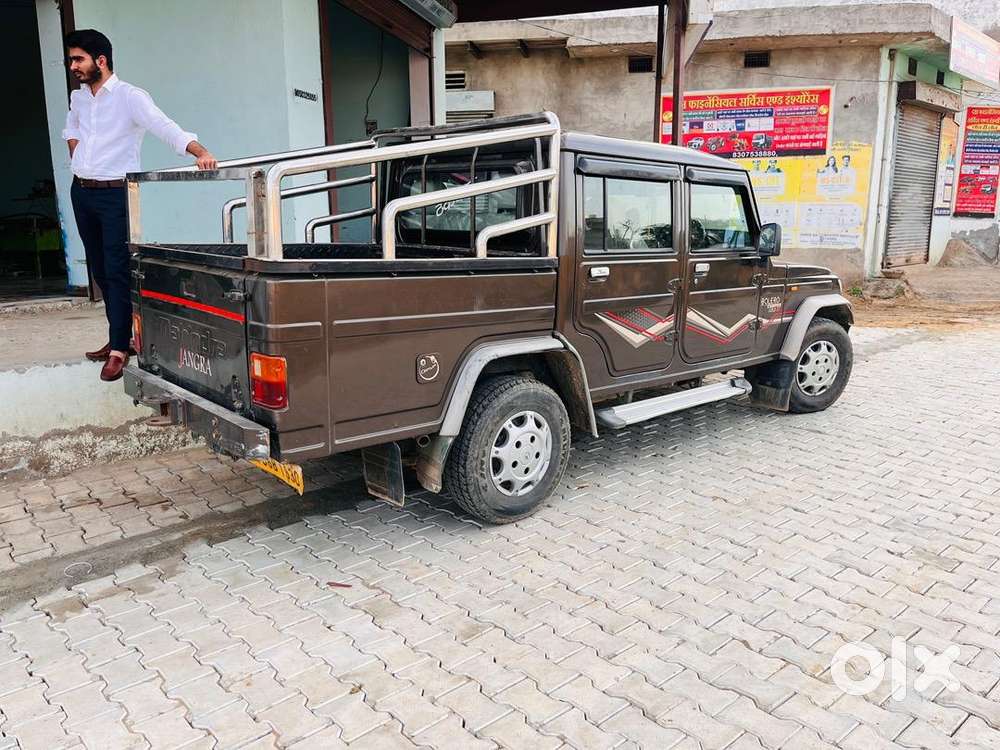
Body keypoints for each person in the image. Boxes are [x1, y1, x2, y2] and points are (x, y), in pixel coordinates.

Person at [62, 29, 217, 382]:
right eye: (72, 59)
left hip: (115, 194)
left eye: (79, 59)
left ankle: (119, 349)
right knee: (100, 270)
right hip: (81, 192)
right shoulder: (79, 98)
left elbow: (165, 127)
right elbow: (71, 128)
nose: (73, 66)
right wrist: (79, 155)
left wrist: (201, 152)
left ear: (100, 60)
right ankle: (120, 337)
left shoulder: (131, 97)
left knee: (116, 269)